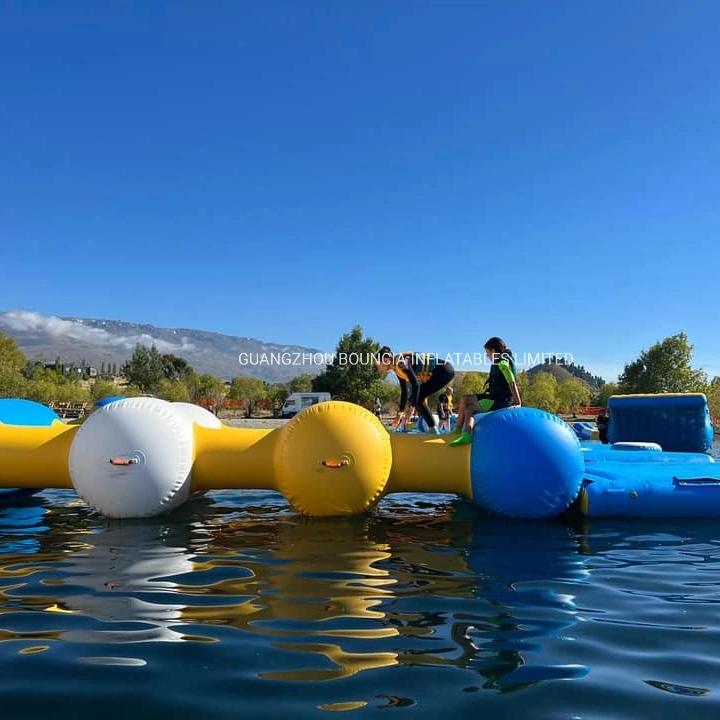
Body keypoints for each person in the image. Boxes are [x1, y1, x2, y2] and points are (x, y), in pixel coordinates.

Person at [449, 336, 521, 447]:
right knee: (465, 399)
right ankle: (457, 430)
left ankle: (466, 436)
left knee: (470, 410)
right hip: (494, 396)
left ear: (493, 350)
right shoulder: (502, 359)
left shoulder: (502, 362)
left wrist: (517, 402)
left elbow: (511, 380)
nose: (487, 356)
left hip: (501, 400)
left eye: (487, 353)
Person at [375, 346, 455, 434]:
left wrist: (411, 409)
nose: (378, 369)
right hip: (439, 373)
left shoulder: (402, 363)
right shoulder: (397, 369)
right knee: (416, 398)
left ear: (386, 360)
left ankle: (433, 429)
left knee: (417, 398)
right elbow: (404, 392)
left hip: (444, 371)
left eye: (378, 365)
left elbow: (416, 385)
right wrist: (400, 414)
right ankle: (432, 428)